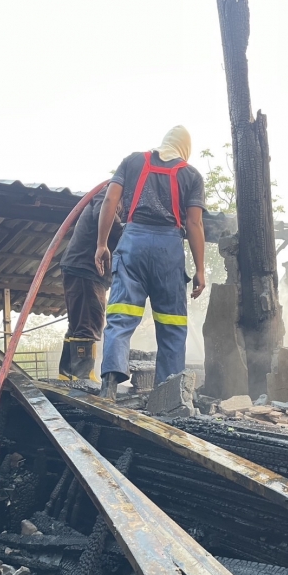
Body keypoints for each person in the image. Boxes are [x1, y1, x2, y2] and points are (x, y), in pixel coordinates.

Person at [95, 125, 206, 399]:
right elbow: (194, 223)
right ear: (184, 149)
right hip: (169, 250)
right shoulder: (191, 175)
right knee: (172, 325)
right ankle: (169, 395)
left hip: (133, 244)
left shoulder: (133, 161)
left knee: (121, 317)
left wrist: (102, 244)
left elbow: (110, 199)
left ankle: (110, 383)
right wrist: (200, 269)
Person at [58, 187, 123, 382]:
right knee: (88, 321)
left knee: (78, 323)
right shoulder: (111, 193)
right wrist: (129, 231)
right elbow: (103, 211)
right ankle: (83, 376)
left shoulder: (115, 196)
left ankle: (67, 374)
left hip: (81, 267)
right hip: (86, 267)